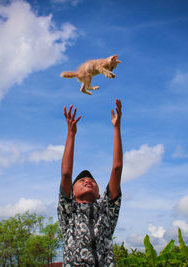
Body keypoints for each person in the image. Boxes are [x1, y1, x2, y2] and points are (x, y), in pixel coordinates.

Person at [57, 99, 123, 266]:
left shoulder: (107, 210)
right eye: (81, 181)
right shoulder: (69, 211)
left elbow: (117, 168)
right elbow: (66, 175)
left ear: (100, 194)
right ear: (71, 193)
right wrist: (71, 134)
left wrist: (116, 128)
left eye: (92, 181)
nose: (87, 180)